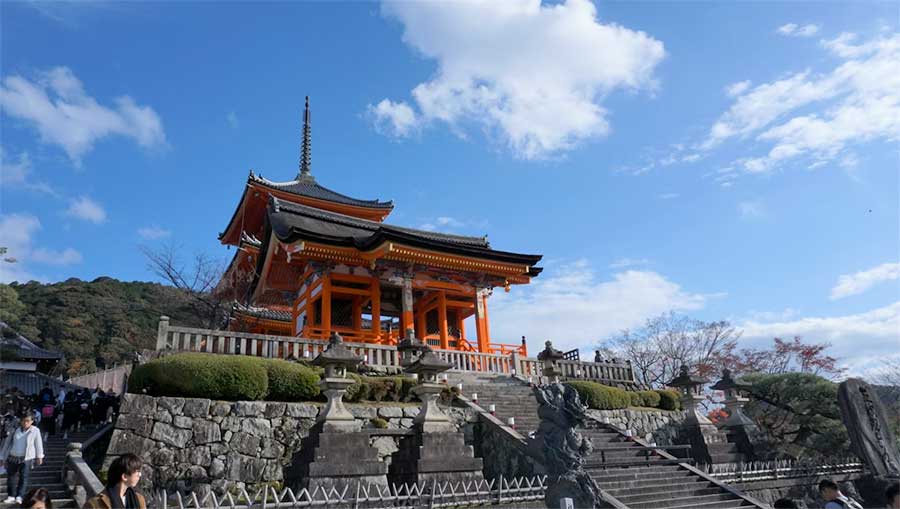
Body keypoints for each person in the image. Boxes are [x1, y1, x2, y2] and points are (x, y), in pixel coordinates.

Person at [0, 413, 44, 504]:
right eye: (23, 420)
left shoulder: (35, 430)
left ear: (32, 421)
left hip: (26, 458)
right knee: (11, 477)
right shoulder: (15, 429)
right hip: (12, 456)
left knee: (23, 477)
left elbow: (38, 444)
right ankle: (11, 495)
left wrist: (39, 456)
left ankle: (19, 496)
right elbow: (7, 443)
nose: (25, 423)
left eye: (28, 421)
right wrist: (2, 457)